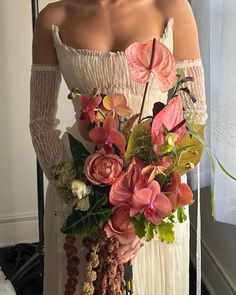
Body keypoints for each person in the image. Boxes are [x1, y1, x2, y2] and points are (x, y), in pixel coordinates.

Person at [29, 0, 208, 294]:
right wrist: (78, 197)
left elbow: (194, 116)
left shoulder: (172, 9)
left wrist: (146, 205)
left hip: (154, 191)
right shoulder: (54, 17)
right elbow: (40, 122)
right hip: (77, 188)